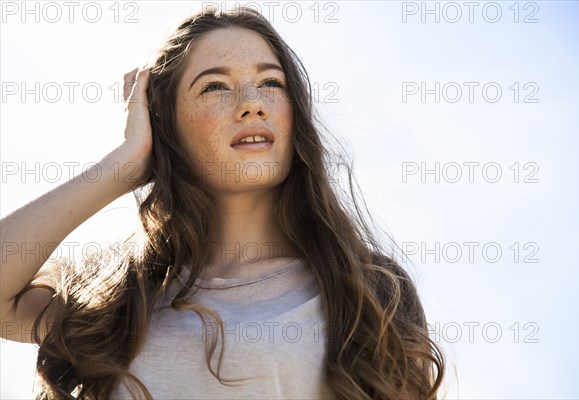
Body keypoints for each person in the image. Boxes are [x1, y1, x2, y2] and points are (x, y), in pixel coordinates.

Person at [0, 6, 445, 399]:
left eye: (271, 82)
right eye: (215, 87)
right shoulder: (117, 298)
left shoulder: (369, 288)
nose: (252, 103)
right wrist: (124, 166)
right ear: (167, 125)